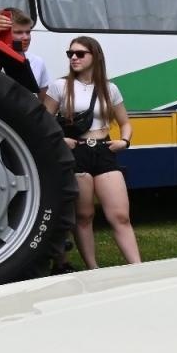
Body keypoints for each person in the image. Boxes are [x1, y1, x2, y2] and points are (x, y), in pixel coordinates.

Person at [43, 36, 141, 268]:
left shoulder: (109, 88)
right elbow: (42, 123)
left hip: (104, 151)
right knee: (84, 216)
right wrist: (60, 140)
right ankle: (92, 268)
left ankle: (138, 267)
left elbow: (125, 122)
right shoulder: (60, 86)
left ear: (95, 56)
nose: (73, 58)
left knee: (120, 216)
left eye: (80, 54)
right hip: (76, 153)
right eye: (70, 54)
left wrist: (124, 141)